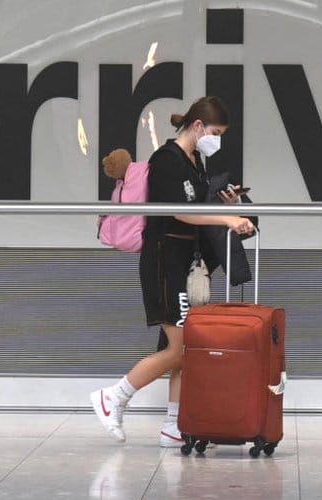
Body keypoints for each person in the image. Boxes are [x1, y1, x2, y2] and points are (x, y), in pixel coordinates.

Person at [91, 96, 254, 446]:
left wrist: (227, 204)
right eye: (215, 132)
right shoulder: (166, 160)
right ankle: (113, 397)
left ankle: (173, 426)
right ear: (197, 126)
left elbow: (194, 208)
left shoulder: (195, 161)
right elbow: (179, 212)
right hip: (163, 260)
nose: (217, 140)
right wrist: (227, 219)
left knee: (183, 347)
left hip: (182, 260)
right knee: (179, 349)